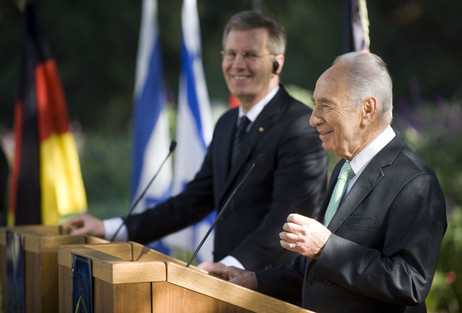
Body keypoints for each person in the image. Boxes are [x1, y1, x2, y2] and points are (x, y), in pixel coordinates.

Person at [65, 11, 327, 272]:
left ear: (277, 64)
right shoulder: (226, 123)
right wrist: (110, 228)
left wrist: (228, 266)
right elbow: (191, 202)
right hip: (222, 286)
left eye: (250, 55)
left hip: (273, 291)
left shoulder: (299, 127)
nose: (237, 64)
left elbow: (287, 223)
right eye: (231, 54)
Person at [206, 52, 447, 312]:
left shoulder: (416, 182)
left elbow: (410, 282)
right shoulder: (344, 168)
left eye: (326, 105)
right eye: (315, 104)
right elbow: (317, 271)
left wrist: (326, 246)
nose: (313, 118)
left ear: (367, 110)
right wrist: (254, 280)